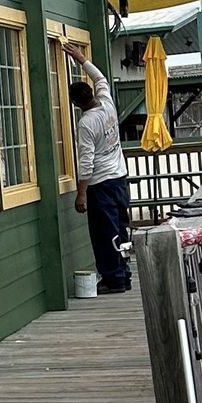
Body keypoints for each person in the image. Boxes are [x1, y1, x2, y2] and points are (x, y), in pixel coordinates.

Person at [65, 39, 131, 293]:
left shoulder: (86, 124)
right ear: (91, 94)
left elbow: (87, 161)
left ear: (75, 103)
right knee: (120, 229)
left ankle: (114, 279)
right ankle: (124, 274)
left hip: (100, 185)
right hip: (119, 179)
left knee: (105, 233)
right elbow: (100, 78)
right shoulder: (107, 102)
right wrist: (81, 59)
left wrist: (81, 193)